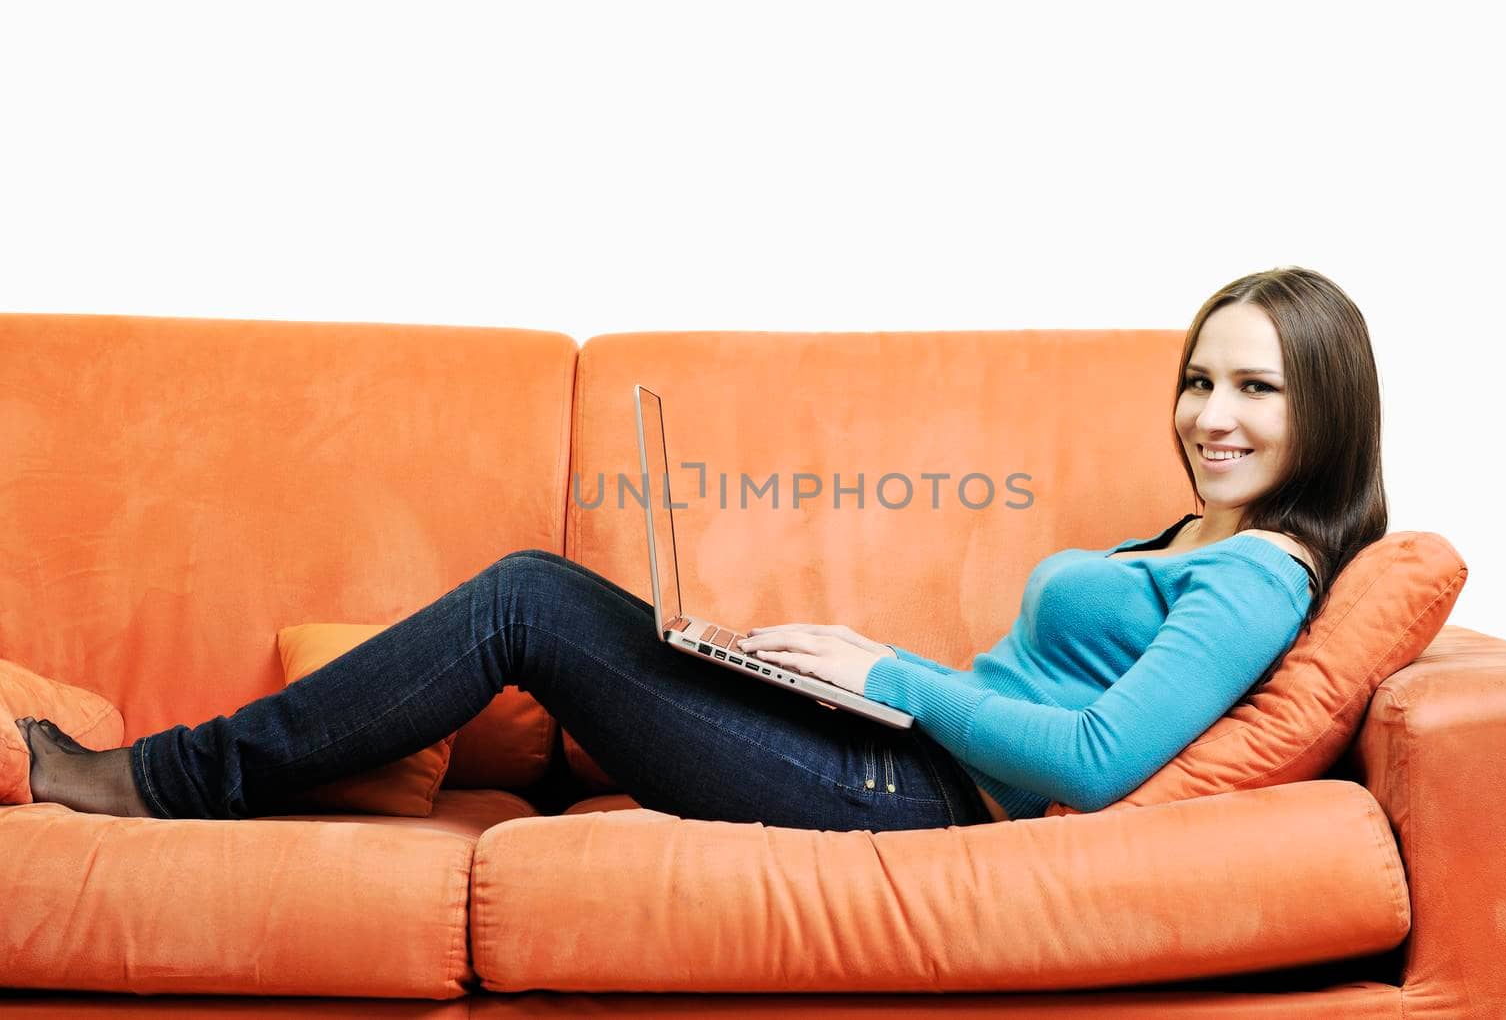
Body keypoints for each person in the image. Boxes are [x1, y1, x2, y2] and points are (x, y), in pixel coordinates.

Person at [16, 266, 1386, 827]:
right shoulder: (1199, 537)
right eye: (1203, 380)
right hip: (886, 741)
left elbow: (1096, 765)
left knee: (528, 605)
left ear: (1323, 408)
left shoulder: (1258, 575)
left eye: (1257, 390)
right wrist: (829, 669)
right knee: (550, 602)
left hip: (907, 796)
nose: (1213, 413)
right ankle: (179, 776)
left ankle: (158, 783)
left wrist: (888, 674)